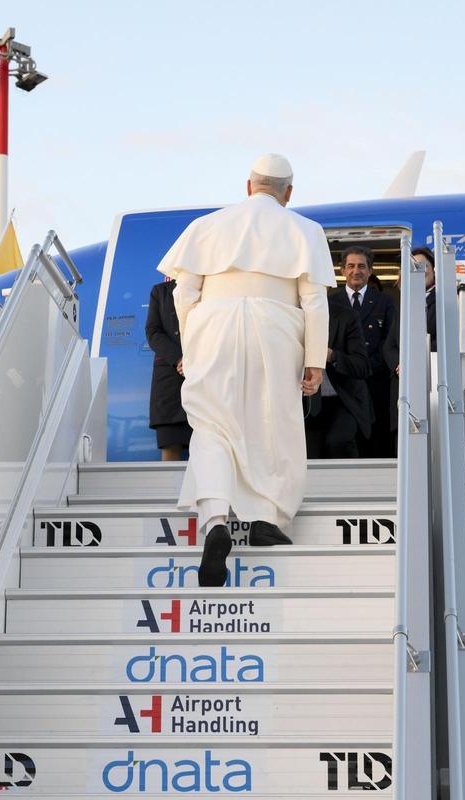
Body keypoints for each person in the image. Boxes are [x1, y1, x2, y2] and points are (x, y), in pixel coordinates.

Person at [156, 153, 335, 587]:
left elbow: (183, 292)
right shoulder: (305, 230)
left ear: (248, 185)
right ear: (287, 193)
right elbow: (313, 301)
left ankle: (216, 521)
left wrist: (193, 339)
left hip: (213, 325)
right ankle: (266, 520)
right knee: (274, 423)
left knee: (212, 429)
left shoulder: (206, 226)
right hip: (275, 326)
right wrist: (314, 361)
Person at [334, 245, 399, 457]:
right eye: (350, 266)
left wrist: (367, 368)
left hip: (375, 381)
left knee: (376, 437)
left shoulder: (384, 301)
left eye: (362, 266)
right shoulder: (329, 301)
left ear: (370, 270)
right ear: (342, 270)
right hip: (341, 384)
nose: (356, 271)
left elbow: (390, 341)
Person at [305, 299, 371, 459]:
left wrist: (332, 356)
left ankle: (350, 483)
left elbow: (362, 367)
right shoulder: (285, 317)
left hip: (343, 401)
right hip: (305, 404)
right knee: (306, 454)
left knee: (338, 443)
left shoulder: (347, 317)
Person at [145, 278, 192, 460]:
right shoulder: (160, 291)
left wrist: (194, 360)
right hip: (169, 379)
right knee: (170, 443)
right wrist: (179, 359)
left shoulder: (208, 290)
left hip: (202, 372)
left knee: (209, 446)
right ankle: (172, 490)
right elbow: (153, 331)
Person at [411, 246, 437, 352]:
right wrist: (398, 363)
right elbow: (390, 344)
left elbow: (443, 340)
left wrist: (415, 358)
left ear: (434, 269)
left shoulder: (444, 299)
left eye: (424, 265)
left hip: (431, 365)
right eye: (415, 266)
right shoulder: (406, 301)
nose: (419, 270)